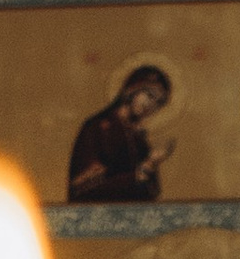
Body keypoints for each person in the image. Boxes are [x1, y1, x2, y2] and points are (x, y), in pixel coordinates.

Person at [66, 63, 174, 205]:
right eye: (149, 95)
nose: (151, 105)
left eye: (158, 102)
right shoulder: (98, 128)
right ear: (132, 90)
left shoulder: (139, 139)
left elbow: (151, 194)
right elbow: (81, 187)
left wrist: (151, 164)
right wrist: (142, 170)